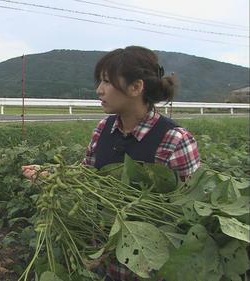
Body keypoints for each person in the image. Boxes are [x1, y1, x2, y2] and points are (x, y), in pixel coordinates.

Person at [22, 45, 200, 280]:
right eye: (100, 82)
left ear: (136, 87)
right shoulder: (103, 129)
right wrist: (52, 176)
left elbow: (191, 210)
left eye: (106, 82)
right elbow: (86, 178)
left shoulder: (175, 140)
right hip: (109, 264)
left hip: (153, 269)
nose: (99, 90)